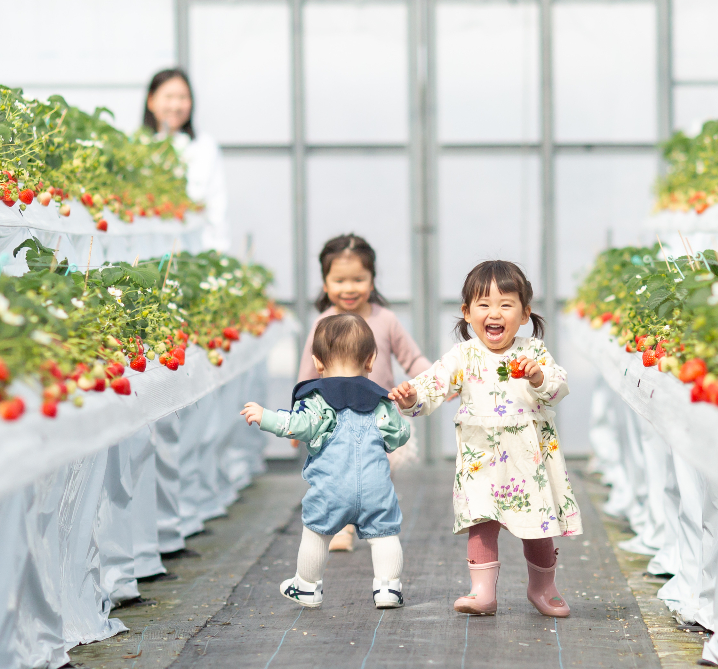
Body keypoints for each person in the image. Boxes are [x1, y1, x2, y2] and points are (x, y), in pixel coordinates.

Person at [389, 260, 579, 618]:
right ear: (466, 313)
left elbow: (558, 388)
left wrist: (538, 379)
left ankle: (543, 587)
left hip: (528, 459)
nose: (495, 313)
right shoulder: (463, 355)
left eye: (506, 304)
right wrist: (412, 397)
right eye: (484, 304)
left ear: (525, 313)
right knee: (481, 521)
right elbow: (434, 384)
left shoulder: (533, 352)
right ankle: (482, 592)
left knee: (536, 526)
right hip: (480, 457)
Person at [241, 314, 410, 610]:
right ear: (370, 360)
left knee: (317, 532)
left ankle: (307, 586)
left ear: (318, 363)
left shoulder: (318, 399)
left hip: (331, 489)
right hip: (376, 488)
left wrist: (265, 416)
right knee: (384, 534)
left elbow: (298, 425)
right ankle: (388, 588)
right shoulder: (381, 401)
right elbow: (399, 436)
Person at [297, 233, 431, 551]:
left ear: (372, 281)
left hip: (378, 416)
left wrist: (436, 382)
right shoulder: (324, 323)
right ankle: (342, 526)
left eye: (358, 279)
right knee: (338, 473)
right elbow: (308, 370)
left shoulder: (385, 320)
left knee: (377, 474)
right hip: (334, 418)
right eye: (339, 280)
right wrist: (297, 413)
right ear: (325, 283)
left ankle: (377, 525)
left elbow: (411, 358)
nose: (349, 288)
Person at [142, 68, 229, 252]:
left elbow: (217, 206)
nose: (176, 105)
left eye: (182, 98)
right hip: (146, 253)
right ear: (151, 101)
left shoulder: (204, 147)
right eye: (169, 97)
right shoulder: (137, 147)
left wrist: (219, 252)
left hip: (194, 252)